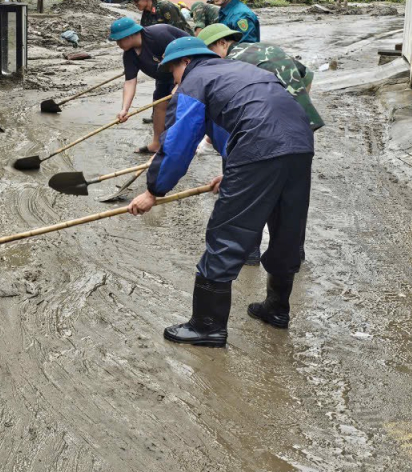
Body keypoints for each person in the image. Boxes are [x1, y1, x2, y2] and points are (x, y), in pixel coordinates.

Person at [128, 36, 314, 348]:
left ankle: (207, 326)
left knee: (227, 232)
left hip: (260, 146)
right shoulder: (238, 71)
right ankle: (277, 309)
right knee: (287, 229)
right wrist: (232, 173)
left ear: (185, 62)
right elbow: (236, 127)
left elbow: (178, 145)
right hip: (300, 143)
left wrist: (153, 192)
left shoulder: (195, 80)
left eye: (172, 71)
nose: (174, 80)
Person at [198, 23, 324, 264]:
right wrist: (297, 106)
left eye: (209, 52)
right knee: (291, 195)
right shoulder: (264, 49)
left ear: (223, 43)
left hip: (263, 129)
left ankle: (249, 251)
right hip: (300, 128)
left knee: (247, 189)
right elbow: (306, 75)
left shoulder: (232, 65)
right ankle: (293, 252)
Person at [109, 17, 188, 154]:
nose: (118, 43)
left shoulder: (158, 35)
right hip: (164, 74)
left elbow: (184, 58)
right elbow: (130, 82)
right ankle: (156, 143)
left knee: (180, 106)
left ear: (131, 35)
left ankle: (186, 146)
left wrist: (179, 84)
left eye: (120, 39)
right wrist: (124, 109)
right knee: (159, 104)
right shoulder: (129, 55)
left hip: (186, 68)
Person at [128, 0, 192, 33]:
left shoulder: (165, 6)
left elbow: (177, 31)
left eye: (136, 1)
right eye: (134, 1)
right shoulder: (146, 13)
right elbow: (146, 33)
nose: (135, 4)